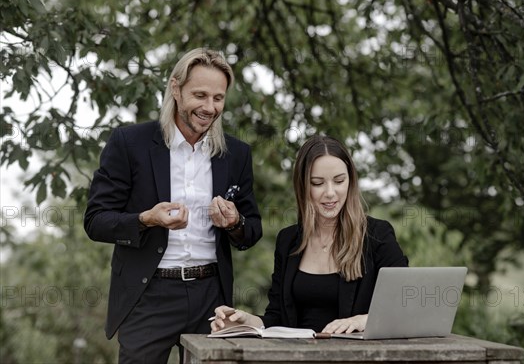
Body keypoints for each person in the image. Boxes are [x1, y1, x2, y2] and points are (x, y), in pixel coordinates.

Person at [84, 48, 262, 363]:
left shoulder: (236, 154)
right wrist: (146, 219)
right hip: (148, 296)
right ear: (175, 89)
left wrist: (235, 222)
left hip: (212, 300)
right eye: (200, 95)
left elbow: (252, 231)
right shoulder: (130, 143)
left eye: (218, 98)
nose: (210, 107)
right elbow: (96, 221)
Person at [211, 135, 408, 335]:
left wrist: (364, 320)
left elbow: (406, 303)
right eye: (317, 183)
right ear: (303, 186)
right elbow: (277, 317)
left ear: (351, 181)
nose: (330, 192)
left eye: (339, 181)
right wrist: (246, 321)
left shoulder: (377, 235)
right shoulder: (288, 241)